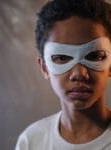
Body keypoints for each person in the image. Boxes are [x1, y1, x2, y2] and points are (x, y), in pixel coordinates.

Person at [15, 0, 111, 149]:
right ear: (45, 68)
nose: (79, 74)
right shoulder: (31, 141)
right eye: (61, 58)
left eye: (94, 56)